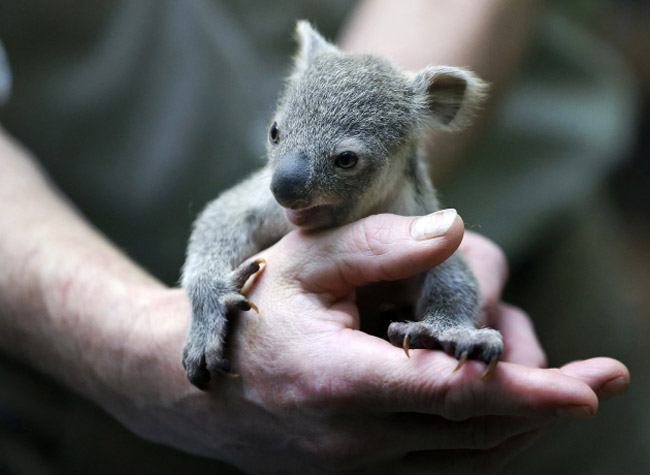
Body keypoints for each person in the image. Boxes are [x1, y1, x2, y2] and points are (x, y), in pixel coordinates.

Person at [0, 1, 633, 473]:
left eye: (348, 161)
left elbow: (450, 270)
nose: (285, 183)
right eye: (278, 140)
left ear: (436, 106)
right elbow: (224, 223)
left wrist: (448, 326)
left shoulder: (418, 188)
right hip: (66, 362)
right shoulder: (272, 183)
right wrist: (150, 335)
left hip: (539, 262)